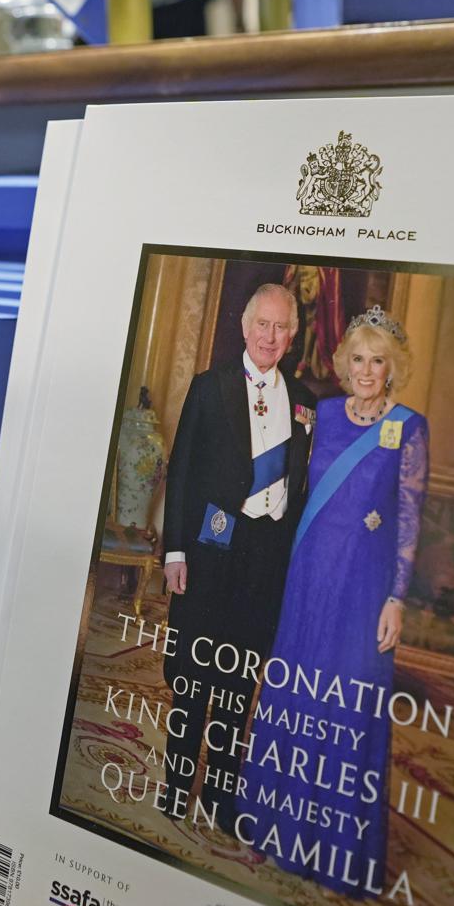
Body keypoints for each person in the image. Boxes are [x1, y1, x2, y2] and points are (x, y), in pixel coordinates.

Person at [236, 306, 430, 897]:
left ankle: (335, 851)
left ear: (393, 369)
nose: (367, 370)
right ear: (344, 362)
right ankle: (273, 825)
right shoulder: (320, 413)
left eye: (378, 361)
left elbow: (408, 519)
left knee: (347, 703)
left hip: (364, 587)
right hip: (309, 574)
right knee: (296, 689)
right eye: (358, 358)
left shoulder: (410, 426)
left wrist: (397, 597)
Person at [159, 283, 316, 824]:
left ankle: (219, 794)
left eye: (282, 328)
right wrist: (174, 551)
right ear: (245, 328)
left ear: (292, 337)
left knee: (240, 675)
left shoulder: (304, 404)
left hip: (265, 555)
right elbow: (180, 472)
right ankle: (177, 784)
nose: (271, 336)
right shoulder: (210, 387)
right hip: (212, 542)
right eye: (263, 325)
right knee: (195, 669)